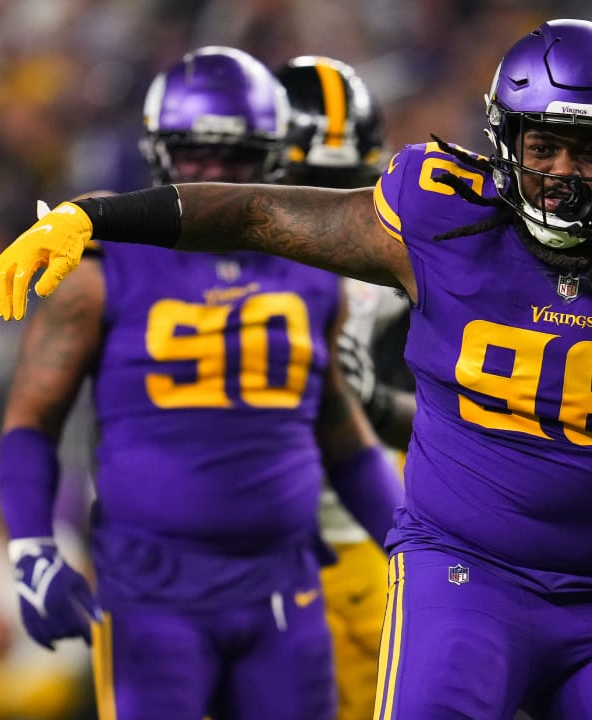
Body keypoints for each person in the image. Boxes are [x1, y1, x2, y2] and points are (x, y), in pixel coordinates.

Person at [0, 20, 592, 719]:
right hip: (464, 576)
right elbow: (257, 212)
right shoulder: (442, 219)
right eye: (540, 144)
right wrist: (92, 216)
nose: (560, 172)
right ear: (503, 142)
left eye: (587, 149)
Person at [0, 45, 402, 720]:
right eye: (194, 156)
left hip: (284, 588)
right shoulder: (102, 256)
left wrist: (410, 545)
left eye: (235, 158)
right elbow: (33, 415)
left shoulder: (310, 264)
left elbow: (336, 427)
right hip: (152, 594)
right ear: (159, 156)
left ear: (273, 158)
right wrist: (31, 546)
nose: (213, 175)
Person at [273, 53, 415, 720]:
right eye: (305, 181)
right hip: (241, 548)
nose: (324, 207)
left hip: (364, 548)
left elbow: (460, 414)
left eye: (346, 183)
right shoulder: (198, 260)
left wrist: (378, 403)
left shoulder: (404, 266)